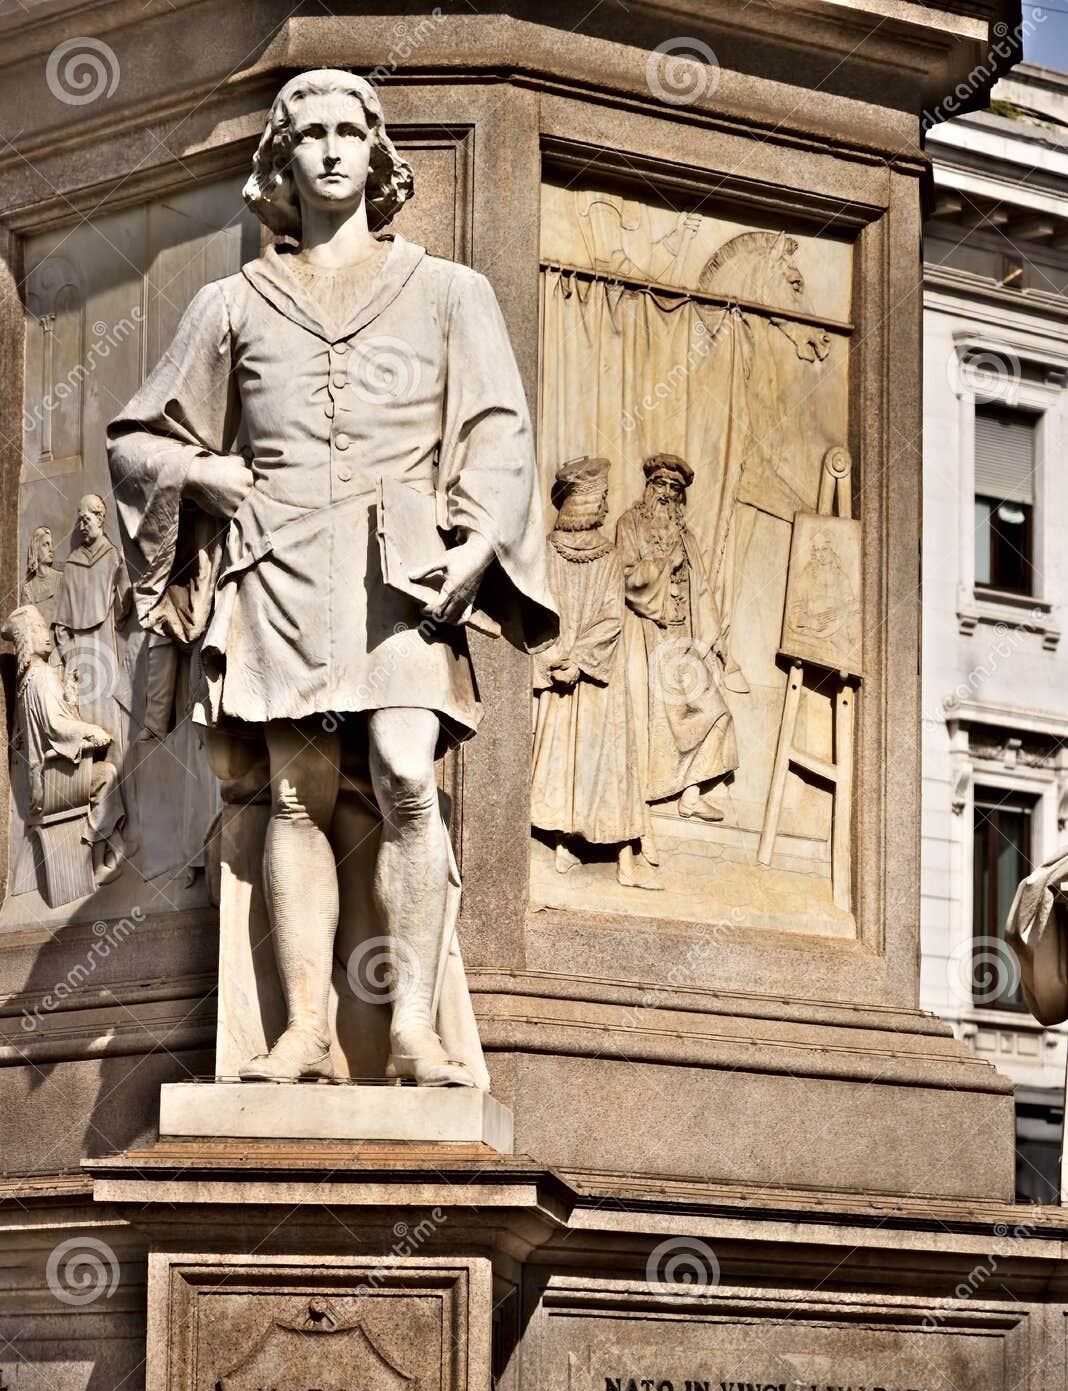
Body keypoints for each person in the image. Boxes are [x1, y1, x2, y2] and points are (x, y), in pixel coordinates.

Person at [107, 69, 555, 1084]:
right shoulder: (232, 304)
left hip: (399, 566)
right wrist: (198, 471)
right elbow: (137, 438)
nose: (332, 149)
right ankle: (304, 1028)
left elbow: (497, 433)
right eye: (308, 134)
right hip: (278, 566)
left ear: (377, 152)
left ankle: (411, 1028)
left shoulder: (450, 292)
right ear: (282, 160)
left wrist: (477, 548)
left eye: (352, 131)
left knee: (404, 770)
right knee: (298, 792)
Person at [531, 457, 658, 889]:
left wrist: (580, 660)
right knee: (562, 759)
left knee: (602, 762)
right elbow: (535, 610)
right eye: (601, 499)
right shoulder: (544, 552)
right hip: (556, 673)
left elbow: (610, 618)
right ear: (586, 503)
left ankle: (613, 852)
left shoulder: (609, 557)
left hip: (597, 678)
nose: (606, 507)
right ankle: (563, 841)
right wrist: (553, 660)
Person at [615, 454, 738, 848]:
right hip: (645, 634)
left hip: (683, 639)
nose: (667, 496)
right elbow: (628, 580)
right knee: (652, 717)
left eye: (675, 490)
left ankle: (691, 793)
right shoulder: (629, 525)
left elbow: (702, 590)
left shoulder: (687, 536)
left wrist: (717, 644)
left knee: (715, 712)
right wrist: (664, 564)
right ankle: (642, 803)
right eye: (661, 487)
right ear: (649, 488)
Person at [2, 604, 125, 886]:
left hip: (43, 780)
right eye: (37, 630)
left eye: (45, 628)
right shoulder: (41, 675)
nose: (45, 635)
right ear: (24, 640)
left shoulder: (29, 680)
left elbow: (53, 719)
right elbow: (56, 726)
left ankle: (114, 847)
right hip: (54, 780)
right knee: (106, 776)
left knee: (103, 774)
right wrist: (91, 731)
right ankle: (99, 858)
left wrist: (68, 690)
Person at [53, 493, 134, 765]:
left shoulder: (112, 558)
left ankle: (116, 795)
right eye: (80, 521)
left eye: (86, 519)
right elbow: (62, 624)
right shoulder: (73, 564)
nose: (82, 526)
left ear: (100, 518)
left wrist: (122, 578)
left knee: (112, 721)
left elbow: (123, 614)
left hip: (106, 646)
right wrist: (69, 656)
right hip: (81, 658)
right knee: (84, 724)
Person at [21, 526, 63, 622]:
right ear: (36, 549)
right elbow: (27, 624)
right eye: (46, 544)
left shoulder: (61, 579)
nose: (51, 549)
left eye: (51, 544)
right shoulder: (28, 590)